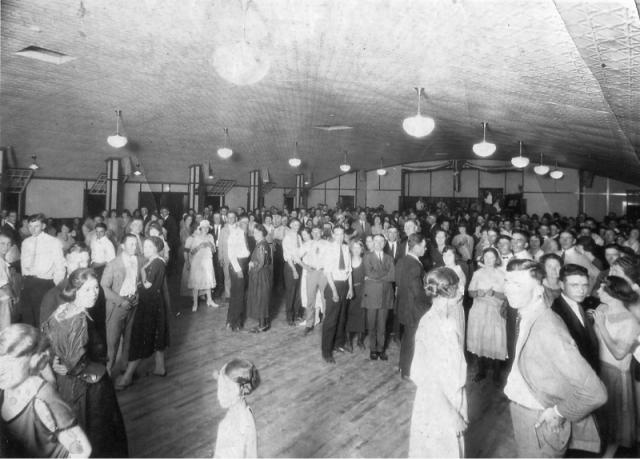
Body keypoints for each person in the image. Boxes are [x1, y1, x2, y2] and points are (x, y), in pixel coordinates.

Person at [503, 259, 607, 458]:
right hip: (524, 411)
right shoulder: (524, 314)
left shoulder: (548, 328)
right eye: (507, 281)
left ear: (539, 290)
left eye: (517, 284)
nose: (508, 289)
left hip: (538, 420)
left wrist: (558, 412)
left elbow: (595, 392)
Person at [41, 268, 129, 457]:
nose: (94, 293)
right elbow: (76, 364)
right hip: (89, 390)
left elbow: (49, 341)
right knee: (97, 439)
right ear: (75, 291)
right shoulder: (80, 319)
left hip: (67, 386)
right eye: (87, 289)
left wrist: (56, 360)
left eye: (96, 288)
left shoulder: (62, 310)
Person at [0, 324, 92, 458]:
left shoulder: (43, 397)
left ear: (33, 360)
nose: (1, 369)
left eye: (9, 361)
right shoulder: (4, 390)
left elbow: (83, 450)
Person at [409, 267, 467, 458]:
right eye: (457, 287)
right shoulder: (431, 324)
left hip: (450, 398)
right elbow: (426, 377)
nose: (460, 291)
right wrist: (452, 413)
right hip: (438, 405)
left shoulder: (447, 320)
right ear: (448, 290)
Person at [591, 276, 640, 456]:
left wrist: (602, 326)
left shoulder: (631, 322)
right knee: (601, 417)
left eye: (602, 289)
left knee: (615, 418)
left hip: (615, 374)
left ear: (613, 293)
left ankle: (610, 453)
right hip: (597, 368)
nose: (597, 291)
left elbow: (619, 353)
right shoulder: (602, 307)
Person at [116, 236, 169, 388]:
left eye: (149, 247)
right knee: (156, 335)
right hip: (152, 303)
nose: (145, 250)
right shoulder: (152, 261)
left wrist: (142, 272)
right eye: (144, 247)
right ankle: (160, 368)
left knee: (142, 338)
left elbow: (146, 285)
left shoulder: (157, 262)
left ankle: (127, 377)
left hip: (150, 305)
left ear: (157, 249)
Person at [101, 233, 140, 375]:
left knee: (129, 339)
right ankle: (108, 373)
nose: (134, 247)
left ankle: (125, 368)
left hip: (133, 304)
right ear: (122, 246)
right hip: (117, 306)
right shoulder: (113, 264)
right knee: (112, 341)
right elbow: (103, 287)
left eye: (136, 244)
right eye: (131, 244)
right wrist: (120, 301)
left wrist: (136, 296)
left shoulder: (137, 260)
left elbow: (137, 283)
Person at [467, 247, 507, 382]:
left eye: (492, 257)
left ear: (496, 259)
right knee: (480, 339)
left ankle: (496, 373)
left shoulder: (502, 274)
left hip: (495, 311)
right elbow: (470, 292)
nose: (489, 260)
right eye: (487, 257)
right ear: (483, 258)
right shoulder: (477, 274)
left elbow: (506, 295)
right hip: (479, 310)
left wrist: (494, 293)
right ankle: (481, 371)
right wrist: (477, 293)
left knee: (496, 340)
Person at [551, 264, 600, 373]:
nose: (581, 290)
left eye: (585, 285)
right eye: (575, 285)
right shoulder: (556, 312)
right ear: (561, 285)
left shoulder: (581, 304)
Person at [20, 214, 66, 327]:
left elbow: (60, 266)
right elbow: (23, 264)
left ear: (44, 226)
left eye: (36, 226)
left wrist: (56, 287)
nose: (32, 229)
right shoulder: (26, 242)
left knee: (42, 319)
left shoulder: (53, 242)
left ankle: (42, 344)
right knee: (27, 318)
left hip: (44, 284)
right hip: (28, 283)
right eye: (30, 226)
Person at [395, 233, 429, 380]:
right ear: (416, 247)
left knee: (407, 338)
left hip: (404, 306)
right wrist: (430, 302)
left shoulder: (402, 261)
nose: (425, 249)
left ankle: (402, 365)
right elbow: (417, 292)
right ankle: (407, 372)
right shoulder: (415, 265)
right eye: (423, 246)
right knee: (412, 340)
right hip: (414, 309)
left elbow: (398, 283)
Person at [213, 359, 259, 458]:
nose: (221, 394)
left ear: (243, 389)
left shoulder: (240, 427)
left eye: (228, 389)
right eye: (222, 386)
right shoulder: (239, 410)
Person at [320, 226, 353, 363]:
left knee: (342, 317)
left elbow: (349, 270)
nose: (339, 237)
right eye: (337, 234)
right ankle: (326, 351)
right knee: (331, 320)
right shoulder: (329, 249)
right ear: (333, 234)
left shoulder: (346, 248)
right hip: (334, 285)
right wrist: (334, 291)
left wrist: (351, 288)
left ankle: (338, 344)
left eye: (342, 234)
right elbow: (327, 272)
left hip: (345, 285)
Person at [362, 234, 395, 361]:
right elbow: (369, 273)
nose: (379, 243)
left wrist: (376, 277)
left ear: (385, 243)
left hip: (386, 295)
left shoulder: (389, 258)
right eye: (376, 241)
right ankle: (373, 349)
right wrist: (384, 274)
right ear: (373, 243)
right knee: (372, 324)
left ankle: (381, 349)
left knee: (382, 324)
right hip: (371, 295)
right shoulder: (367, 257)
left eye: (382, 241)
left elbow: (392, 276)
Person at [185, 220, 218, 312]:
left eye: (207, 227)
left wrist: (210, 245)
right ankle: (195, 303)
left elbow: (214, 251)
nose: (206, 229)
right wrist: (200, 246)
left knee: (208, 279)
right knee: (197, 281)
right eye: (204, 227)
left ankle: (209, 300)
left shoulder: (210, 237)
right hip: (198, 261)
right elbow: (191, 252)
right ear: (200, 228)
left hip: (208, 260)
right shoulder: (195, 237)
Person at [299, 226, 327, 334]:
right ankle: (309, 324)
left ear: (321, 232)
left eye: (318, 232)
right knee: (310, 298)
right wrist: (305, 267)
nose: (316, 234)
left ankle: (326, 322)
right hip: (312, 273)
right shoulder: (307, 244)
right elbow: (296, 256)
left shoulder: (327, 244)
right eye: (313, 232)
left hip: (324, 273)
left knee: (325, 299)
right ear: (311, 233)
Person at [246, 224, 273, 333]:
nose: (255, 235)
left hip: (260, 275)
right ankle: (265, 323)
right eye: (254, 232)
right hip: (264, 274)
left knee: (260, 298)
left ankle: (262, 326)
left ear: (262, 233)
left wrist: (252, 265)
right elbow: (268, 260)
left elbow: (261, 263)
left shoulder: (261, 245)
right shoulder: (264, 243)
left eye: (257, 233)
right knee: (263, 298)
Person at [227, 215, 251, 331]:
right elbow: (231, 254)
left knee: (236, 294)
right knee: (239, 295)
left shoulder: (244, 234)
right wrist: (239, 270)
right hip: (237, 265)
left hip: (243, 264)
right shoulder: (235, 234)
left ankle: (230, 321)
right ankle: (235, 323)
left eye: (247, 223)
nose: (245, 225)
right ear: (238, 223)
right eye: (243, 223)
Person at [345, 240, 366, 351]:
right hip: (350, 291)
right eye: (354, 247)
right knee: (349, 315)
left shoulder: (364, 261)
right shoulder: (347, 261)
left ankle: (360, 340)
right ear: (351, 249)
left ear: (362, 249)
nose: (356, 250)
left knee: (362, 315)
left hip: (362, 291)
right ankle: (348, 342)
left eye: (359, 248)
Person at [282, 218, 303, 326]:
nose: (296, 226)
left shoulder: (298, 236)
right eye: (294, 224)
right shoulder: (287, 237)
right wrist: (294, 270)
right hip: (291, 267)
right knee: (291, 292)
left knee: (298, 292)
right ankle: (289, 317)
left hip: (299, 265)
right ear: (290, 225)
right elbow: (288, 256)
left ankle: (296, 314)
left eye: (298, 225)